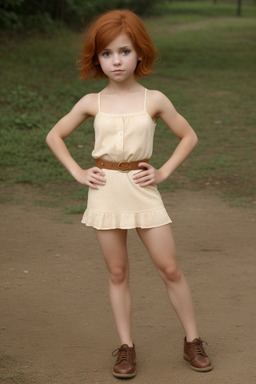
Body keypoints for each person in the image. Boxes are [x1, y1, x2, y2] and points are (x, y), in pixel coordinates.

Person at [46, 9, 213, 379]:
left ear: (139, 53)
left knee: (169, 268)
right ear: (97, 58)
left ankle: (193, 341)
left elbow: (189, 136)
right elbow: (54, 135)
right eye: (106, 53)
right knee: (117, 272)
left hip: (142, 189)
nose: (115, 61)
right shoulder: (93, 102)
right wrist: (78, 171)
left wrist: (164, 170)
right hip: (105, 190)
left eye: (123, 51)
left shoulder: (154, 99)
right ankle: (126, 348)